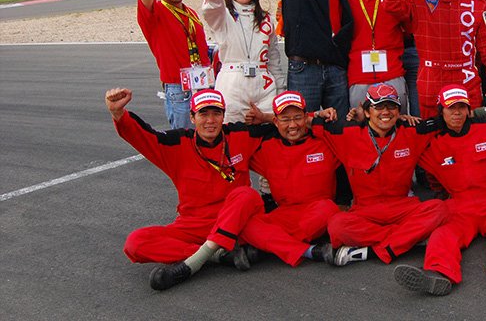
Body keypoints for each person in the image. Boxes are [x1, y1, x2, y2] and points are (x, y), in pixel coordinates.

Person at [106, 88, 269, 290]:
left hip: (238, 222)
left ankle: (201, 258)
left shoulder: (240, 134)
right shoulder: (177, 143)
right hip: (193, 226)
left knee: (247, 195)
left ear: (223, 116)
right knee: (135, 243)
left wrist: (309, 117)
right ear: (192, 117)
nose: (210, 120)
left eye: (216, 113)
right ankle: (218, 254)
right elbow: (143, 136)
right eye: (203, 114)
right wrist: (118, 113)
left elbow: (288, 126)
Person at [393, 85, 486, 296]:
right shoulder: (431, 142)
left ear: (469, 110)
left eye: (462, 107)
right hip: (458, 206)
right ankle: (437, 274)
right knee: (442, 234)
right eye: (451, 108)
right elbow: (388, 134)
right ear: (441, 111)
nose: (457, 113)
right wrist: (398, 119)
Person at [313, 83, 449, 266]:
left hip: (402, 206)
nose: (386, 112)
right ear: (367, 111)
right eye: (379, 106)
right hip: (365, 210)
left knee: (439, 209)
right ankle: (408, 238)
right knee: (337, 225)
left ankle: (372, 251)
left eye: (392, 106)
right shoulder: (346, 132)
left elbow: (453, 117)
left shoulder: (412, 130)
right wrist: (317, 114)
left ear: (399, 111)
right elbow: (296, 122)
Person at [235, 92, 342, 267]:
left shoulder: (325, 141)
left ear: (306, 118)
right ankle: (308, 251)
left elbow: (357, 134)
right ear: (276, 122)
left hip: (317, 212)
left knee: (329, 208)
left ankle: (268, 246)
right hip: (283, 215)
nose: (292, 125)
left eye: (298, 118)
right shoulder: (267, 147)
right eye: (285, 119)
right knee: (246, 225)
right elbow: (231, 148)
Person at [126, 0, 211, 130]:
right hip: (180, 91)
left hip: (205, 85)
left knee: (210, 143)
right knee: (186, 146)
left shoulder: (190, 12)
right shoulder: (154, 13)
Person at [199, 0, 284, 123]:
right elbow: (213, 7)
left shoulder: (267, 20)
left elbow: (273, 60)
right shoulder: (222, 16)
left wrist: (280, 90)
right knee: (233, 138)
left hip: (264, 87)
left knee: (266, 138)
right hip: (232, 86)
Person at [343, 0, 409, 114]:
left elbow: (408, 25)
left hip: (391, 72)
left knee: (396, 124)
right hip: (359, 75)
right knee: (360, 128)